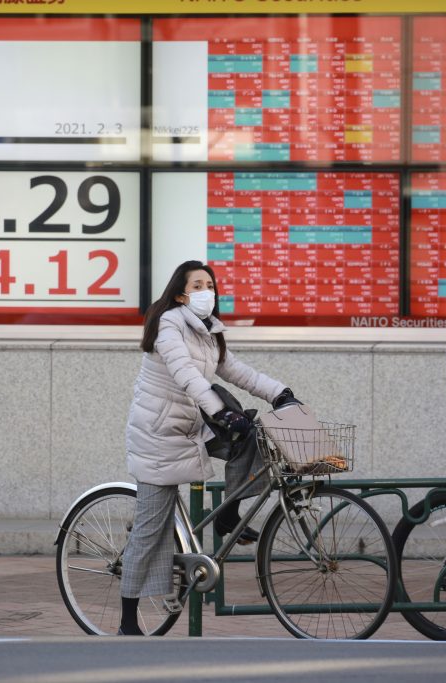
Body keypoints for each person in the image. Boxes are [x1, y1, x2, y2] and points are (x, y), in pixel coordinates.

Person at [118, 260, 299, 635]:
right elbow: (184, 373)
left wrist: (279, 392)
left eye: (210, 284)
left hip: (191, 427)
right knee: (151, 529)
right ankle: (127, 619)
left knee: (249, 436)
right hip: (158, 433)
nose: (206, 291)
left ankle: (228, 512)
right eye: (198, 285)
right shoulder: (169, 324)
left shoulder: (208, 332)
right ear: (182, 294)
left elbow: (238, 372)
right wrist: (219, 410)